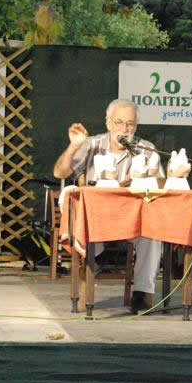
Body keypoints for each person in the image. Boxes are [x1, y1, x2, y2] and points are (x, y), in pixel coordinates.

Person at [53, 99, 164, 314]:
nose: (124, 129)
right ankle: (95, 260)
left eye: (130, 124)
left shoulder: (146, 149)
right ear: (108, 123)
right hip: (97, 220)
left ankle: (142, 294)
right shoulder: (91, 145)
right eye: (119, 122)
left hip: (133, 220)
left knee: (153, 234)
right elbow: (60, 173)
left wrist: (145, 180)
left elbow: (161, 184)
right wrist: (74, 146)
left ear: (136, 126)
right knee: (79, 212)